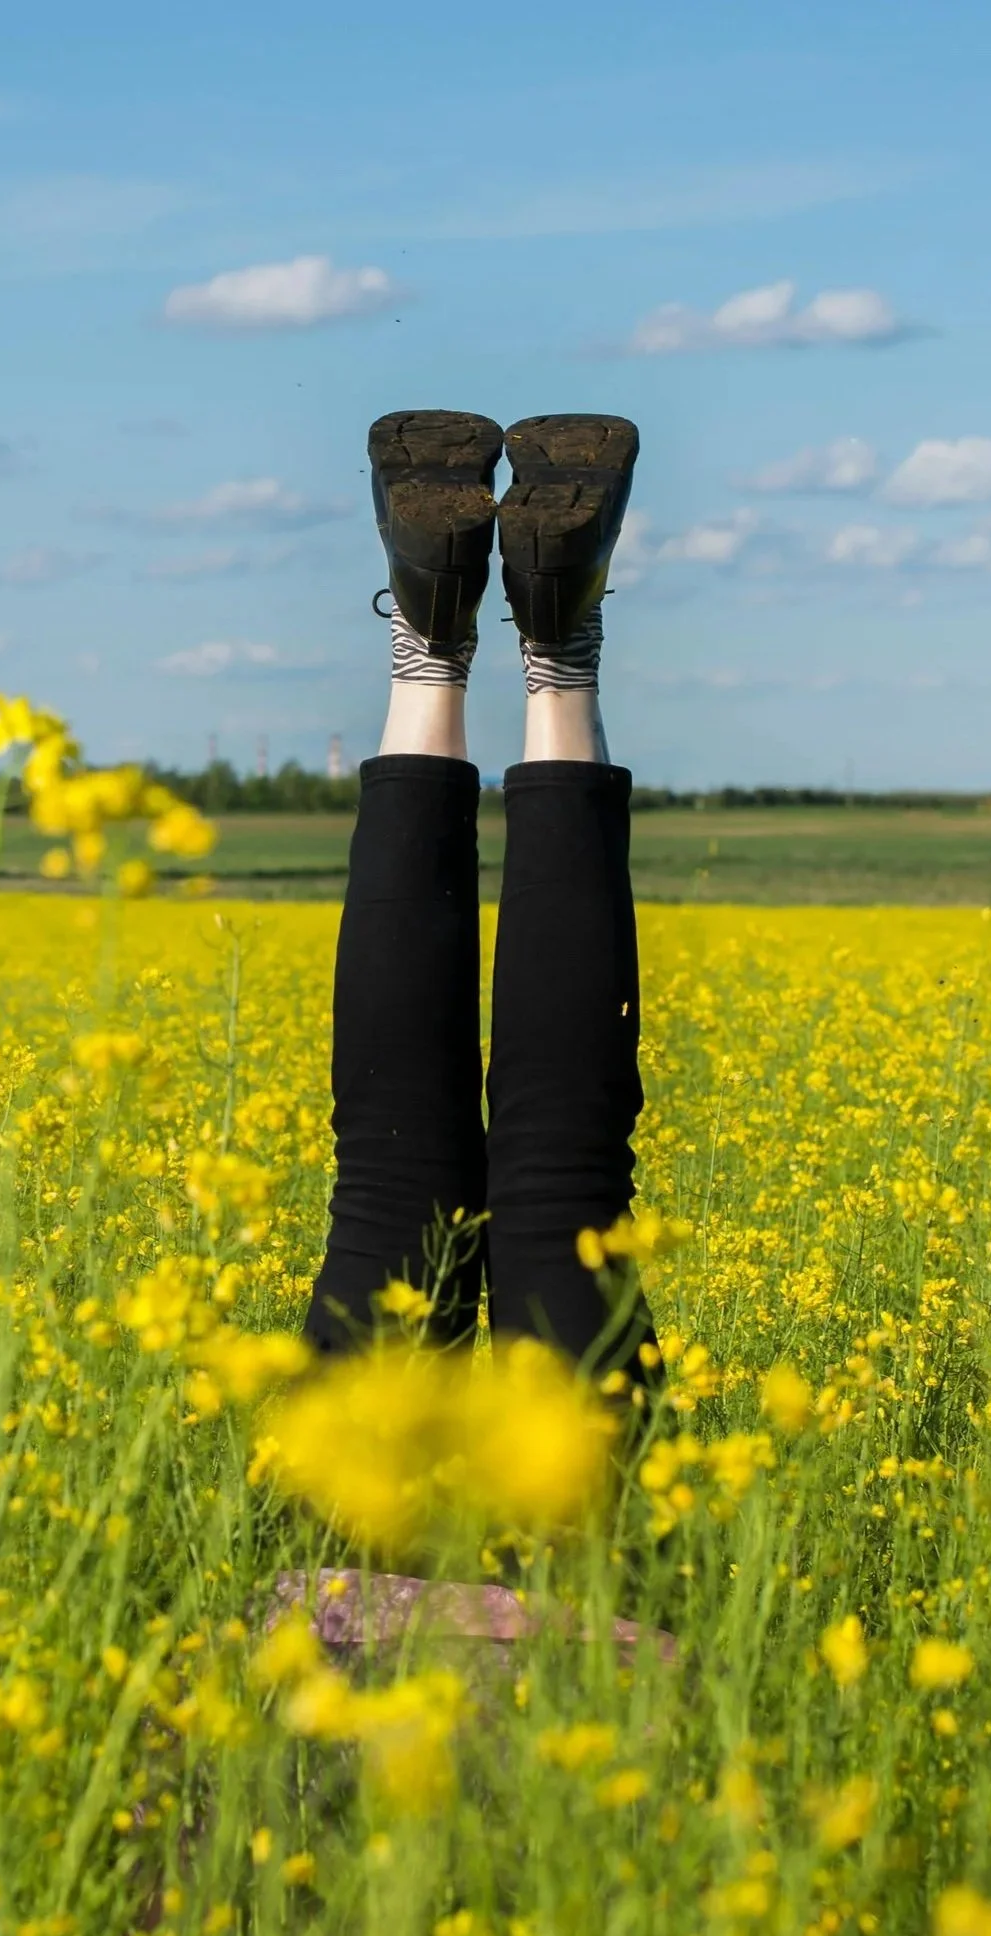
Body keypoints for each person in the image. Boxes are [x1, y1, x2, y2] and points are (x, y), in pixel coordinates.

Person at [303, 410, 652, 1385]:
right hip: (539, 1512)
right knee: (540, 1202)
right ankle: (546, 638)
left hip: (368, 1512)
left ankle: (446, 630)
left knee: (405, 1190)